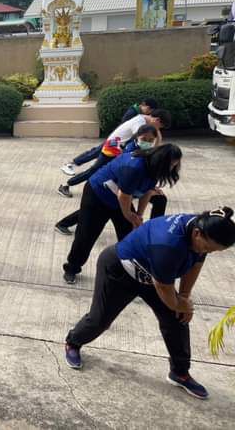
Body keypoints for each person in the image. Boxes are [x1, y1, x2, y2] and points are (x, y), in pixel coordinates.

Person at [64, 208, 235, 400]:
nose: (208, 252)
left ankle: (180, 373)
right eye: (208, 248)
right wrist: (179, 305)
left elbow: (196, 263)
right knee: (100, 320)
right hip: (119, 271)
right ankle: (73, 342)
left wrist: (184, 298)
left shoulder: (204, 228)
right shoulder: (168, 244)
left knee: (177, 320)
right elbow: (163, 286)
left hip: (152, 276)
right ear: (197, 233)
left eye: (214, 250)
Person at [62, 143, 182, 284]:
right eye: (171, 165)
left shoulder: (154, 168)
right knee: (86, 234)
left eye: (174, 165)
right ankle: (72, 268)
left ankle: (124, 272)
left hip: (121, 198)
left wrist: (138, 216)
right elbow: (123, 196)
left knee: (130, 237)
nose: (171, 169)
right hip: (98, 195)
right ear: (161, 160)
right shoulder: (134, 167)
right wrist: (129, 216)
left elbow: (146, 192)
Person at [55, 125, 168, 235]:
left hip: (129, 188)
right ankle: (64, 223)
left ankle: (154, 230)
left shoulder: (151, 151)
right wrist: (136, 213)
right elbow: (128, 176)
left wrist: (150, 186)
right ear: (137, 137)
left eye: (151, 140)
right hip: (116, 187)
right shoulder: (131, 150)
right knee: (95, 209)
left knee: (160, 199)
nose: (147, 142)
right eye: (144, 139)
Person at [58, 108, 171, 198]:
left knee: (105, 169)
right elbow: (142, 139)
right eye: (160, 127)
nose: (158, 129)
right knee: (94, 171)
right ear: (157, 120)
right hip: (112, 148)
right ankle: (66, 185)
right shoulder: (140, 124)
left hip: (116, 146)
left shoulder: (143, 119)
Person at [60, 99, 160, 181]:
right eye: (150, 110)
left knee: (94, 153)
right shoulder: (134, 113)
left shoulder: (136, 112)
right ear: (146, 106)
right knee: (94, 154)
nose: (149, 112)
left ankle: (72, 164)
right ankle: (70, 165)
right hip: (115, 141)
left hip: (116, 140)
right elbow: (127, 126)